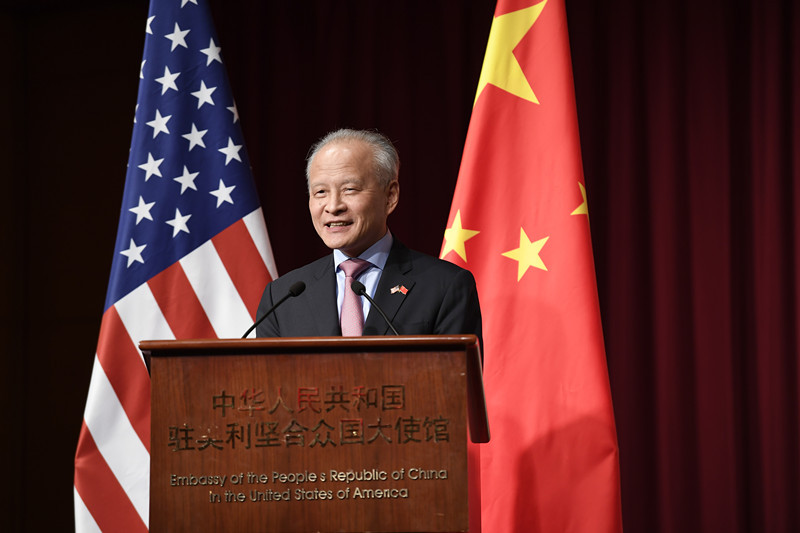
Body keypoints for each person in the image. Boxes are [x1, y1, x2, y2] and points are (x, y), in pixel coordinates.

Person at [255, 128, 482, 347]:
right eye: (320, 192)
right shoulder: (282, 297)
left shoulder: (444, 287)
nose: (333, 206)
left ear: (390, 196)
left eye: (350, 189)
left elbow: (456, 373)